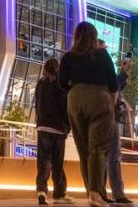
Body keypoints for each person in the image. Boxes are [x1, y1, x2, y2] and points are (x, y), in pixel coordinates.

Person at [59, 22, 118, 207]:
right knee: (98, 149)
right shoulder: (101, 54)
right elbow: (113, 83)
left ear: (76, 36)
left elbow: (61, 83)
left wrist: (75, 90)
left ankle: (92, 193)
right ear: (94, 36)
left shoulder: (68, 57)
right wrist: (111, 102)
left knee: (83, 149)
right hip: (99, 98)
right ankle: (96, 193)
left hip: (75, 99)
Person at [35, 58, 74, 206]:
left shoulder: (40, 85)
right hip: (57, 128)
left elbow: (37, 105)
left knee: (43, 161)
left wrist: (39, 122)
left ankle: (42, 191)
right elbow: (65, 108)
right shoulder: (60, 86)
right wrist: (68, 127)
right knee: (57, 163)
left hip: (43, 127)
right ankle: (59, 193)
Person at [104, 53, 133, 204]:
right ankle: (118, 193)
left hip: (105, 115)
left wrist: (124, 74)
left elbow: (116, 88)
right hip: (107, 115)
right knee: (113, 155)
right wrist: (123, 74)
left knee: (101, 155)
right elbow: (112, 87)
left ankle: (100, 192)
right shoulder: (100, 66)